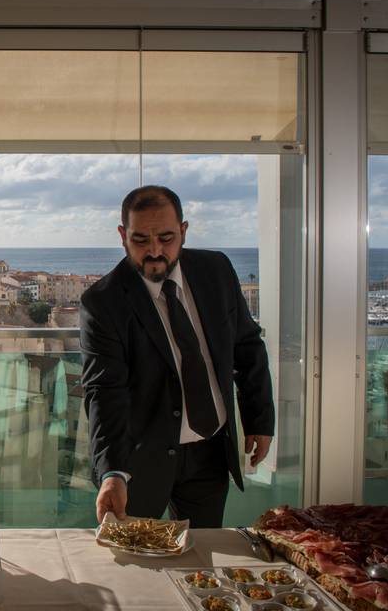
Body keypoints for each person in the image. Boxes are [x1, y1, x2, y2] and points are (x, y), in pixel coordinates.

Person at [80, 185, 274, 528]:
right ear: (123, 235)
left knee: (200, 562)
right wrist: (112, 472)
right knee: (139, 569)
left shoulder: (216, 270)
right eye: (140, 240)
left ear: (183, 231)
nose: (155, 251)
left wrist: (258, 419)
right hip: (139, 462)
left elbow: (246, 344)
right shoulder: (103, 303)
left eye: (166, 238)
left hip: (211, 452)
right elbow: (104, 391)